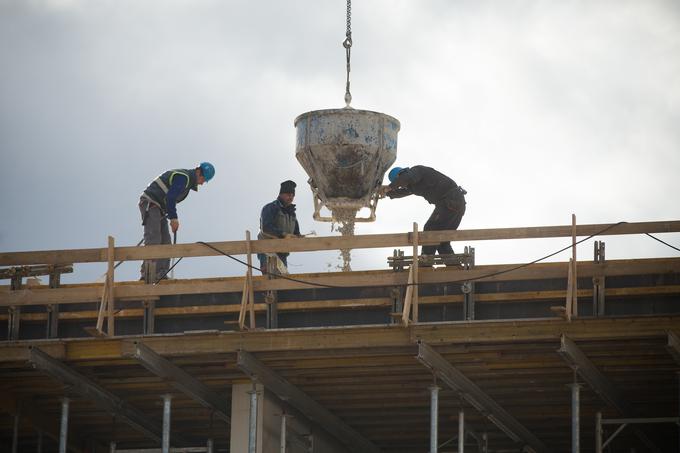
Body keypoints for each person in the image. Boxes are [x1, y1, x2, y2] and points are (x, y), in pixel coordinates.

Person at [138, 162, 215, 281]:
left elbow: (169, 199)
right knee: (154, 238)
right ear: (198, 172)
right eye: (203, 179)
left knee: (166, 242)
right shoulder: (183, 177)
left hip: (159, 209)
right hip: (151, 203)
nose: (202, 183)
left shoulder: (186, 182)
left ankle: (160, 274)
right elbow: (171, 197)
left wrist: (171, 216)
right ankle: (147, 274)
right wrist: (173, 218)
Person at [382, 165, 466, 257]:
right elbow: (401, 192)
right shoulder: (413, 186)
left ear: (400, 174)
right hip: (455, 204)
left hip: (450, 201)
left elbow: (407, 178)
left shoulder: (417, 170)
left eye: (399, 182)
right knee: (442, 239)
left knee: (430, 229)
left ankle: (425, 261)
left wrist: (389, 187)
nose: (402, 186)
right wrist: (387, 193)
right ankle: (453, 266)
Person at [258, 180, 302, 274]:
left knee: (282, 281)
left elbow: (296, 233)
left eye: (292, 195)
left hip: (282, 253)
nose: (291, 197)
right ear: (281, 194)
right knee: (270, 280)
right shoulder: (271, 207)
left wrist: (298, 237)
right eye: (288, 194)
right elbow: (266, 228)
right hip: (268, 251)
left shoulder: (292, 215)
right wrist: (283, 234)